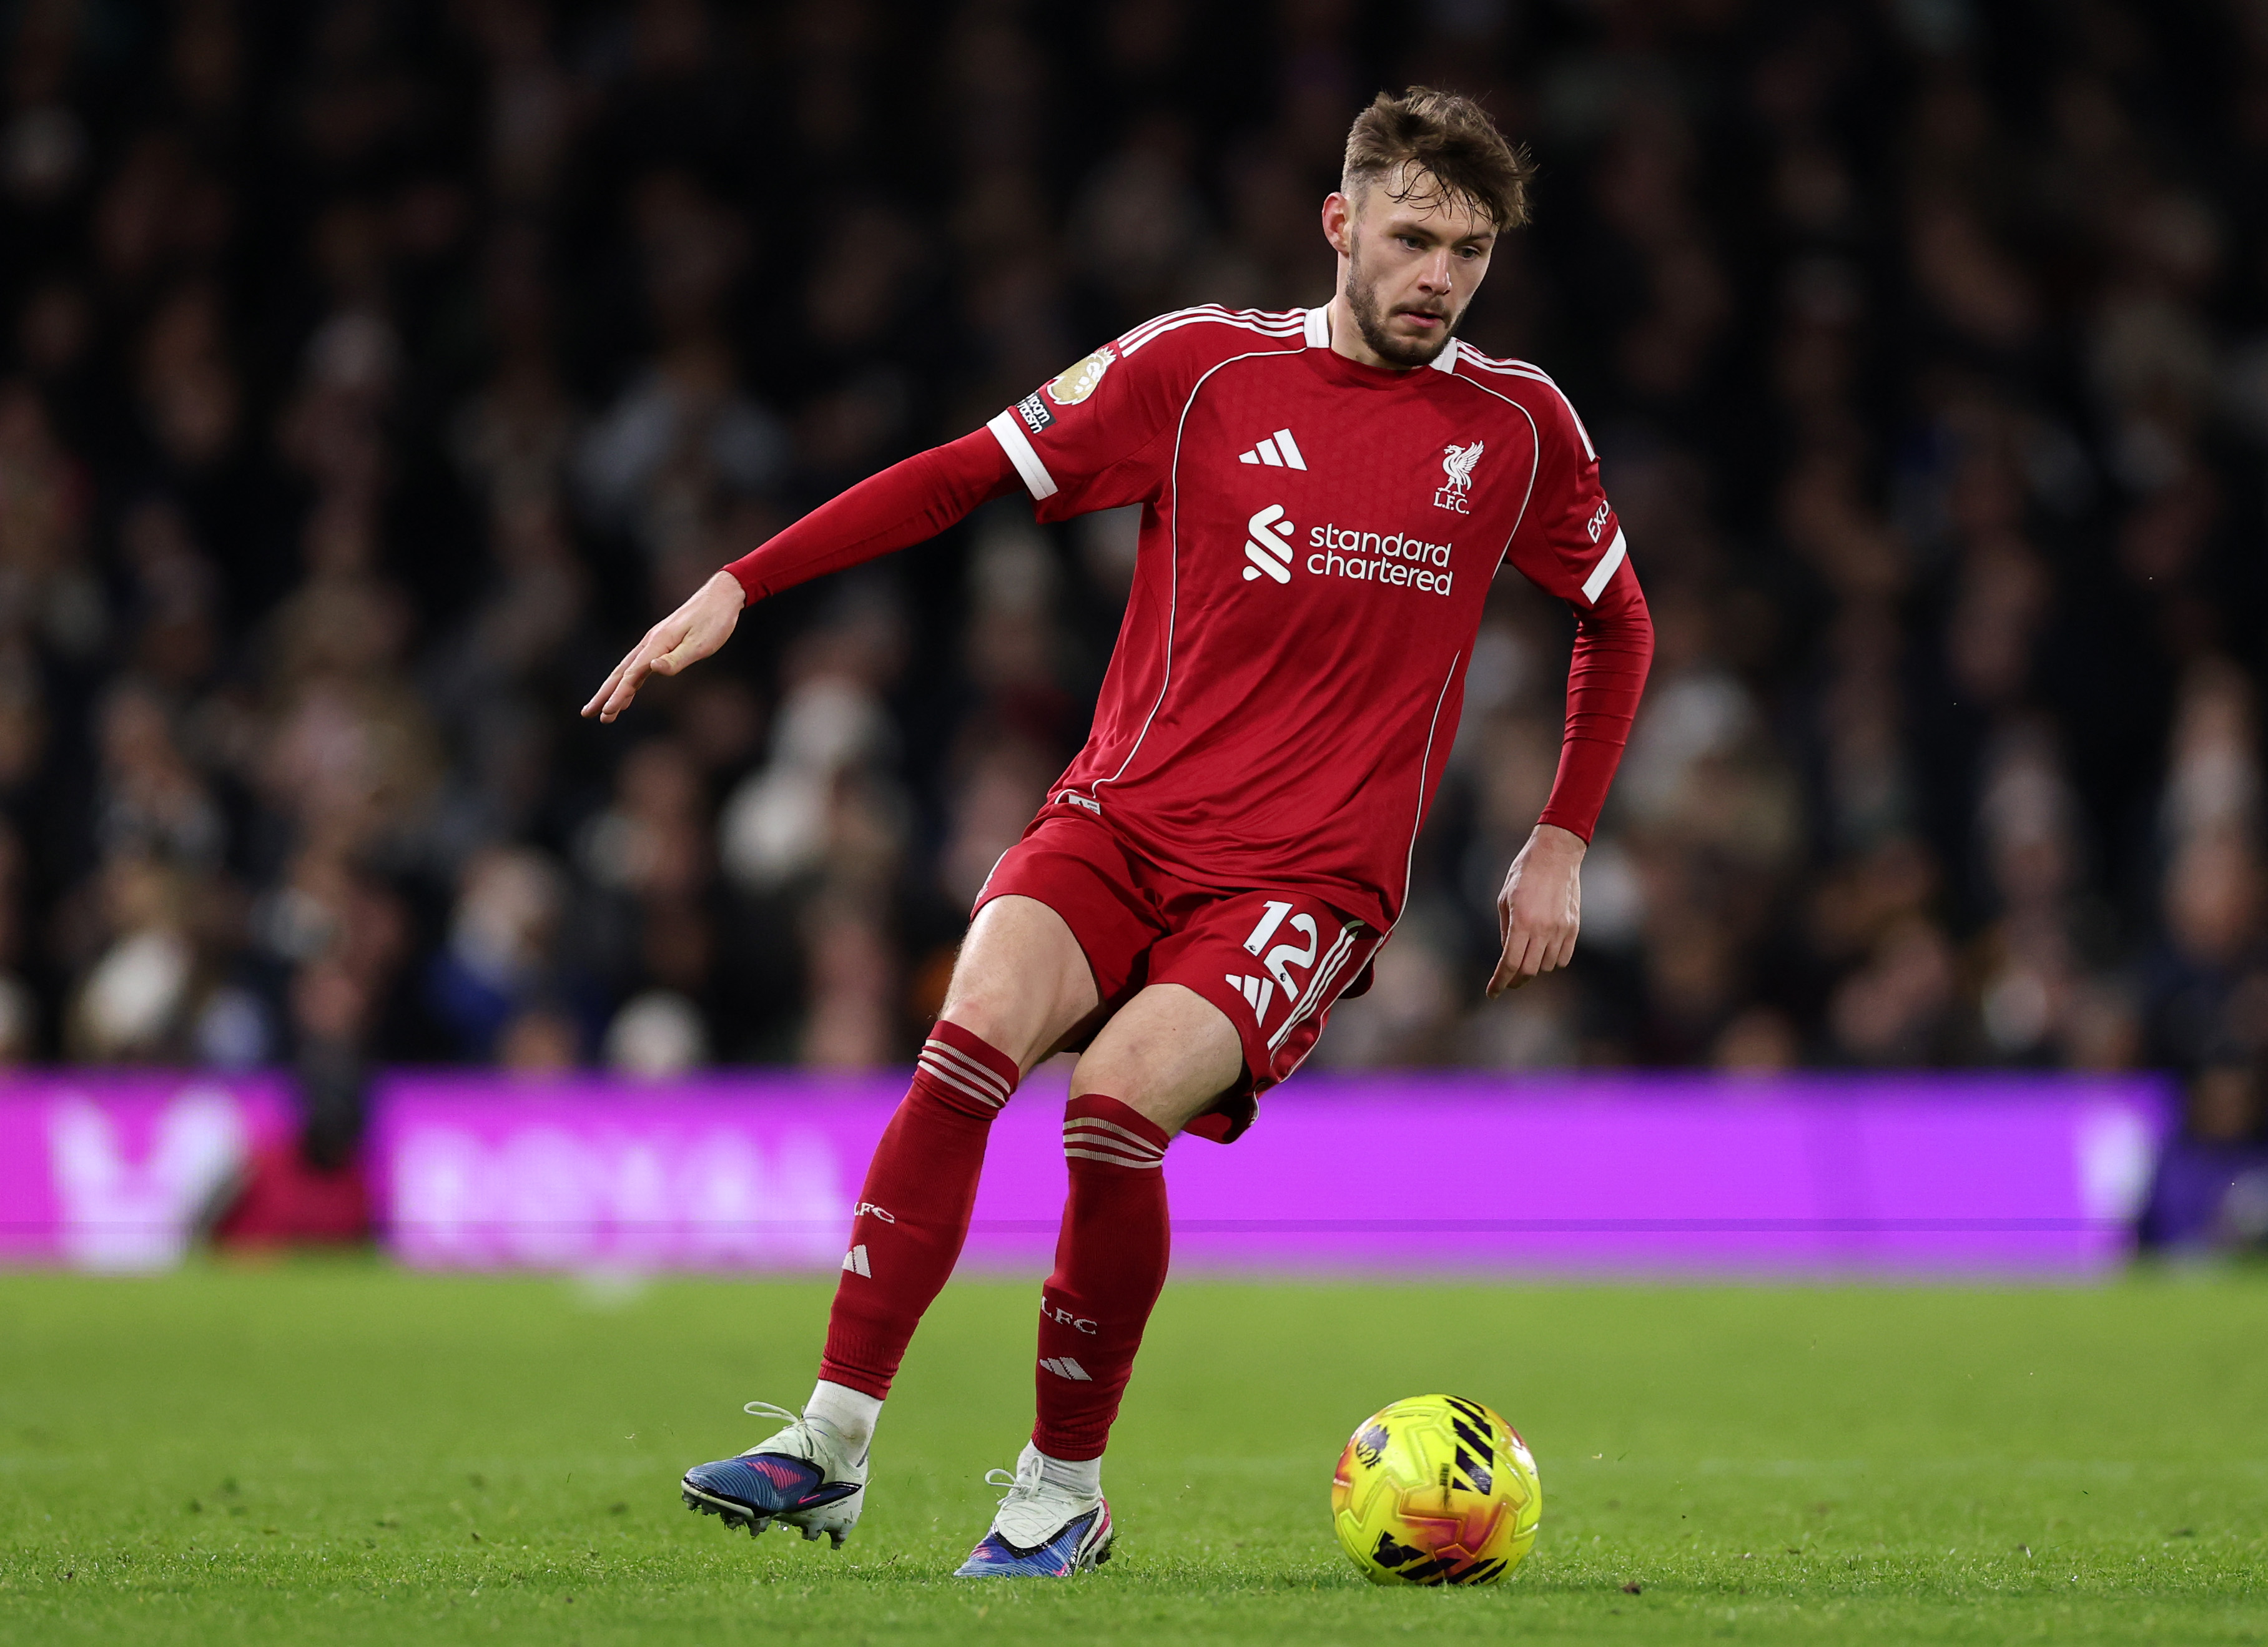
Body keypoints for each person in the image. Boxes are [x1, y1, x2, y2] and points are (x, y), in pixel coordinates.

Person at [584, 87, 1654, 1578]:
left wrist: (1560, 837)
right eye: (1412, 239)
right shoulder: (1196, 368)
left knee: (1115, 1105)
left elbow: (1613, 616)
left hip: (1306, 876)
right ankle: (825, 1444)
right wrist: (742, 587)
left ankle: (1058, 1492)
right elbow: (962, 470)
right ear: (1339, 225)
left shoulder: (1516, 424)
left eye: (1469, 252)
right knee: (968, 1037)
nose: (1439, 279)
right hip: (1120, 816)